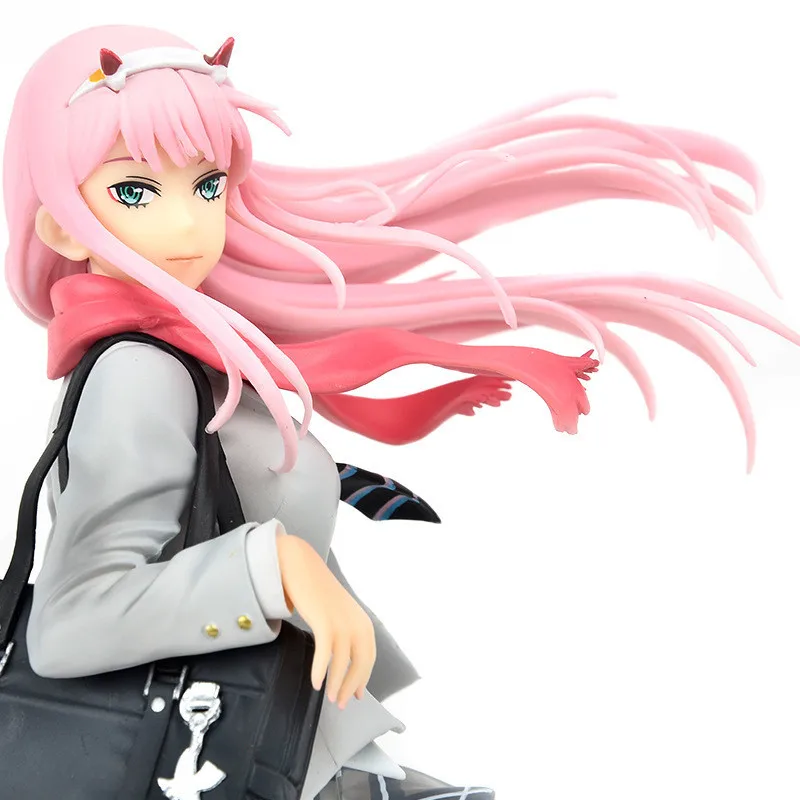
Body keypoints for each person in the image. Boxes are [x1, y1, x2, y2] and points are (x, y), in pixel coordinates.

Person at [3, 23, 797, 800]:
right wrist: (275, 569)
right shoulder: (139, 373)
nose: (186, 223)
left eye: (207, 185)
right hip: (206, 751)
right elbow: (73, 621)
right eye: (135, 191)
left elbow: (222, 480)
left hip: (283, 747)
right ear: (57, 225)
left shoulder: (184, 356)